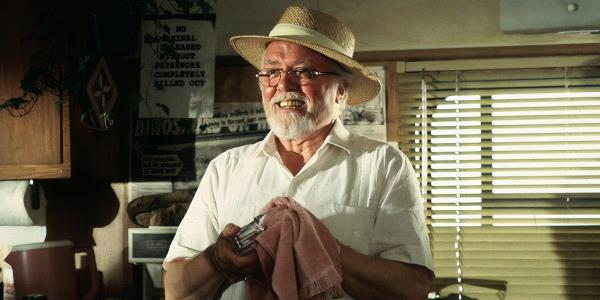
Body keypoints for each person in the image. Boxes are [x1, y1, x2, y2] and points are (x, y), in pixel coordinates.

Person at [163, 5, 434, 300]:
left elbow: (412, 288)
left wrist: (314, 244)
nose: (283, 84)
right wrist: (217, 260)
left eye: (304, 72)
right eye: (272, 72)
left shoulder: (383, 165)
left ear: (341, 91)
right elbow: (177, 291)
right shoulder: (225, 168)